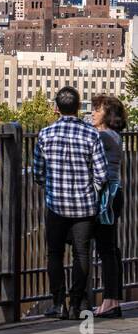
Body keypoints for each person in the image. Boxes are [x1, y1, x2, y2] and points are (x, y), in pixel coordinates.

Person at [32, 86, 108, 321]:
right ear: (79, 108)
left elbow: (38, 172)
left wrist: (52, 189)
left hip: (56, 205)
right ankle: (77, 304)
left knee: (54, 254)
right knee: (82, 254)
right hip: (84, 207)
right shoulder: (91, 134)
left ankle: (58, 303)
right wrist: (90, 190)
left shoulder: (45, 134)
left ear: (56, 109)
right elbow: (102, 174)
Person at [92, 93, 126, 319]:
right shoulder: (114, 135)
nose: (93, 113)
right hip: (114, 194)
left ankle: (109, 302)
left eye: (97, 109)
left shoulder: (104, 136)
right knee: (111, 248)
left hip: (107, 196)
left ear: (108, 114)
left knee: (106, 249)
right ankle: (112, 299)